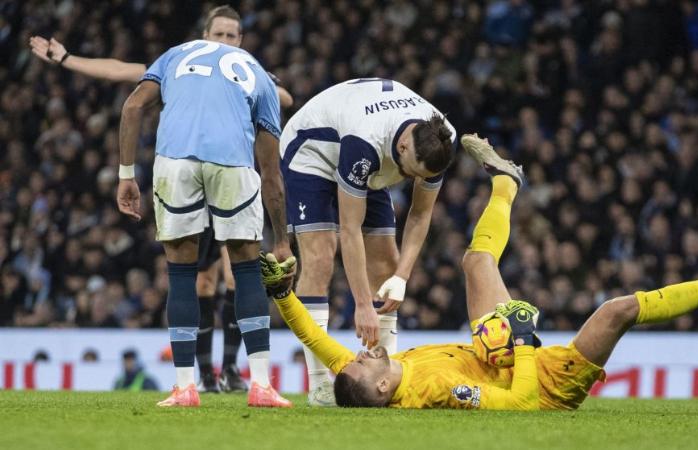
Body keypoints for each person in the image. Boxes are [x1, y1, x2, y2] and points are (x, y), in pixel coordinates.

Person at [262, 134, 698, 410]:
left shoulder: (368, 372)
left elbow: (315, 337)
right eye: (363, 365)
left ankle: (506, 182)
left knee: (474, 260)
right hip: (544, 380)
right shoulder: (440, 391)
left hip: (491, 347)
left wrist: (283, 294)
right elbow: (523, 403)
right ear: (381, 390)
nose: (360, 354)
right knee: (619, 309)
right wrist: (525, 342)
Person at [29, 5, 293, 394]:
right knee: (219, 274)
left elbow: (133, 95)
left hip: (179, 165)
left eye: (231, 36)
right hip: (229, 168)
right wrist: (68, 59)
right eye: (218, 34)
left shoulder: (184, 57)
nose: (224, 41)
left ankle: (219, 372)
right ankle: (218, 375)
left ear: (240, 39)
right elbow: (122, 68)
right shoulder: (248, 69)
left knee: (206, 272)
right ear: (206, 35)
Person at [117, 32, 294, 407]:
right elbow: (271, 173)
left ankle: (185, 388)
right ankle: (260, 385)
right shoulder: (259, 74)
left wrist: (126, 175)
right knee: (245, 269)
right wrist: (281, 240)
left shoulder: (173, 54)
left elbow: (132, 108)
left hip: (175, 161)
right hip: (233, 162)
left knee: (182, 272)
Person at [280, 78, 455, 405]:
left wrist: (401, 276)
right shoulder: (366, 141)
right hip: (313, 151)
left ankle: (386, 381)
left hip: (373, 160)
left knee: (386, 264)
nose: (415, 180)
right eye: (412, 172)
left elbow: (419, 215)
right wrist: (361, 304)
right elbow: (350, 228)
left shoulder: (441, 140)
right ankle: (319, 386)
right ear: (403, 146)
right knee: (320, 257)